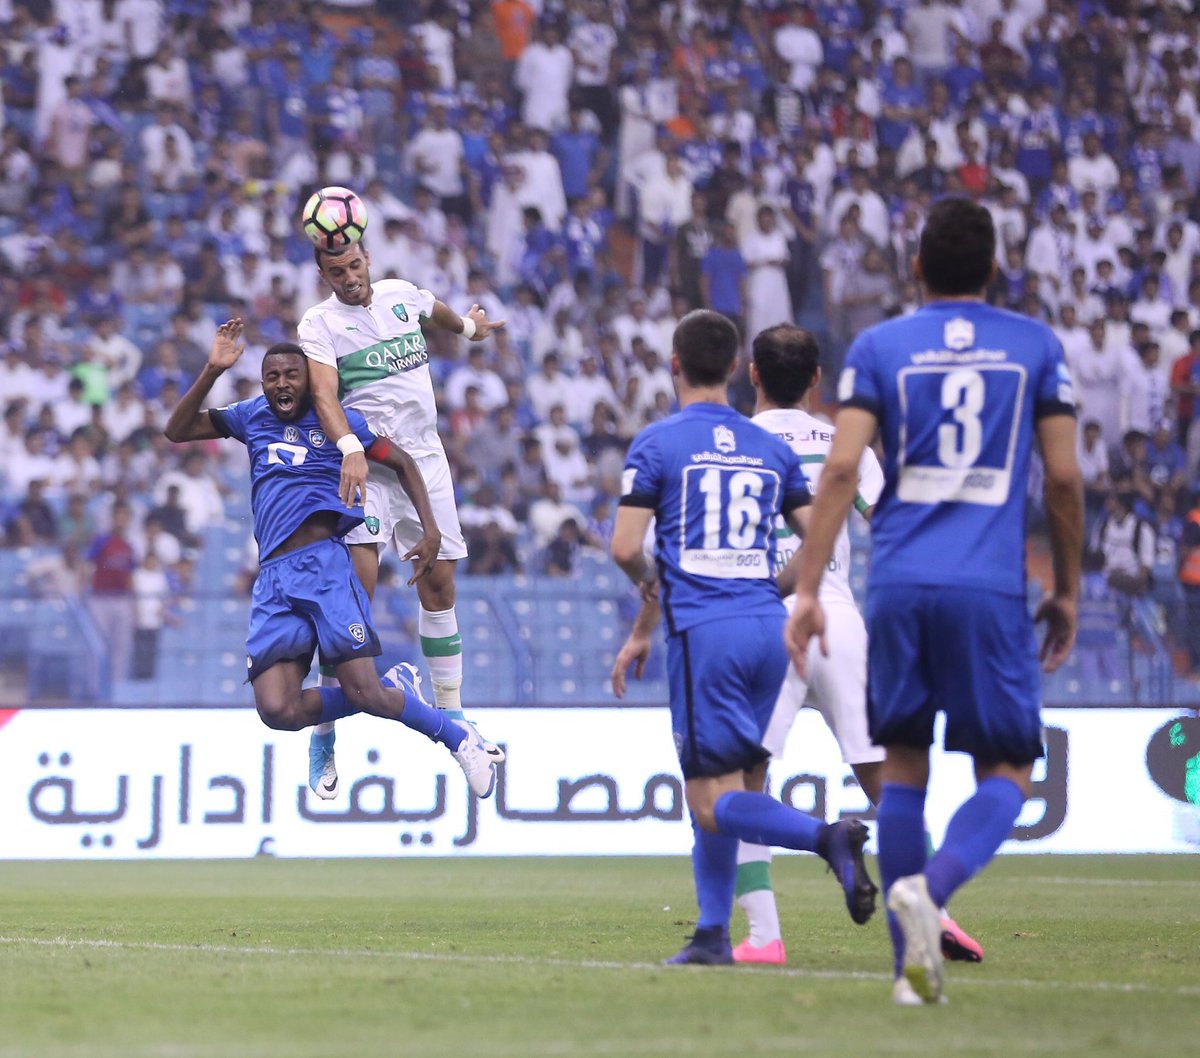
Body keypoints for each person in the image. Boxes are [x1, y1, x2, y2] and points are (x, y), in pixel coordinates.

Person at [785, 198, 1083, 1005]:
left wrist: (808, 588)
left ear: (914, 269)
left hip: (903, 586)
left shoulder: (883, 346)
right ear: (994, 268)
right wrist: (1066, 587)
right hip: (990, 586)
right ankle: (935, 889)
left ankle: (910, 973)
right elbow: (1060, 478)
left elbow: (840, 472)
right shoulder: (1034, 346)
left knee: (904, 771)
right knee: (1010, 769)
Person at [609, 310, 877, 966]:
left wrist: (654, 582)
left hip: (707, 632)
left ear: (674, 364)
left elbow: (623, 549)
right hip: (768, 630)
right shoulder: (769, 447)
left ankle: (826, 839)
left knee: (712, 801)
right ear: (732, 369)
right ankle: (710, 933)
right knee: (720, 784)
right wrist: (775, 587)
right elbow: (821, 534)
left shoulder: (658, 442)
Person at [726, 323, 983, 967]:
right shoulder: (848, 443)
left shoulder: (732, 440)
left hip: (762, 620)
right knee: (888, 781)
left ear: (751, 374)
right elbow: (894, 525)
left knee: (741, 781)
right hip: (838, 614)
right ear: (818, 380)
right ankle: (934, 912)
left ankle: (763, 937)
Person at [163, 320, 497, 798]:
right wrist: (213, 370)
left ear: (309, 380)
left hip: (325, 569)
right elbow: (176, 431)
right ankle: (399, 685)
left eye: (291, 375)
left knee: (366, 693)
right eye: (272, 376)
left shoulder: (338, 424)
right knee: (277, 710)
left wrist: (430, 527)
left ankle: (458, 737)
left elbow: (402, 461)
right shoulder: (250, 416)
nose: (282, 383)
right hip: (274, 579)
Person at [298, 237, 507, 800]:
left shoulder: (400, 295)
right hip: (363, 463)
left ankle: (455, 718)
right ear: (324, 274)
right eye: (337, 271)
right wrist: (348, 447)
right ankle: (323, 735)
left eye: (355, 265)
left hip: (425, 458)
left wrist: (467, 328)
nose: (349, 277)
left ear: (369, 259)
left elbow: (434, 312)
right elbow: (322, 394)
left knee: (440, 586)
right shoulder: (318, 324)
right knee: (349, 604)